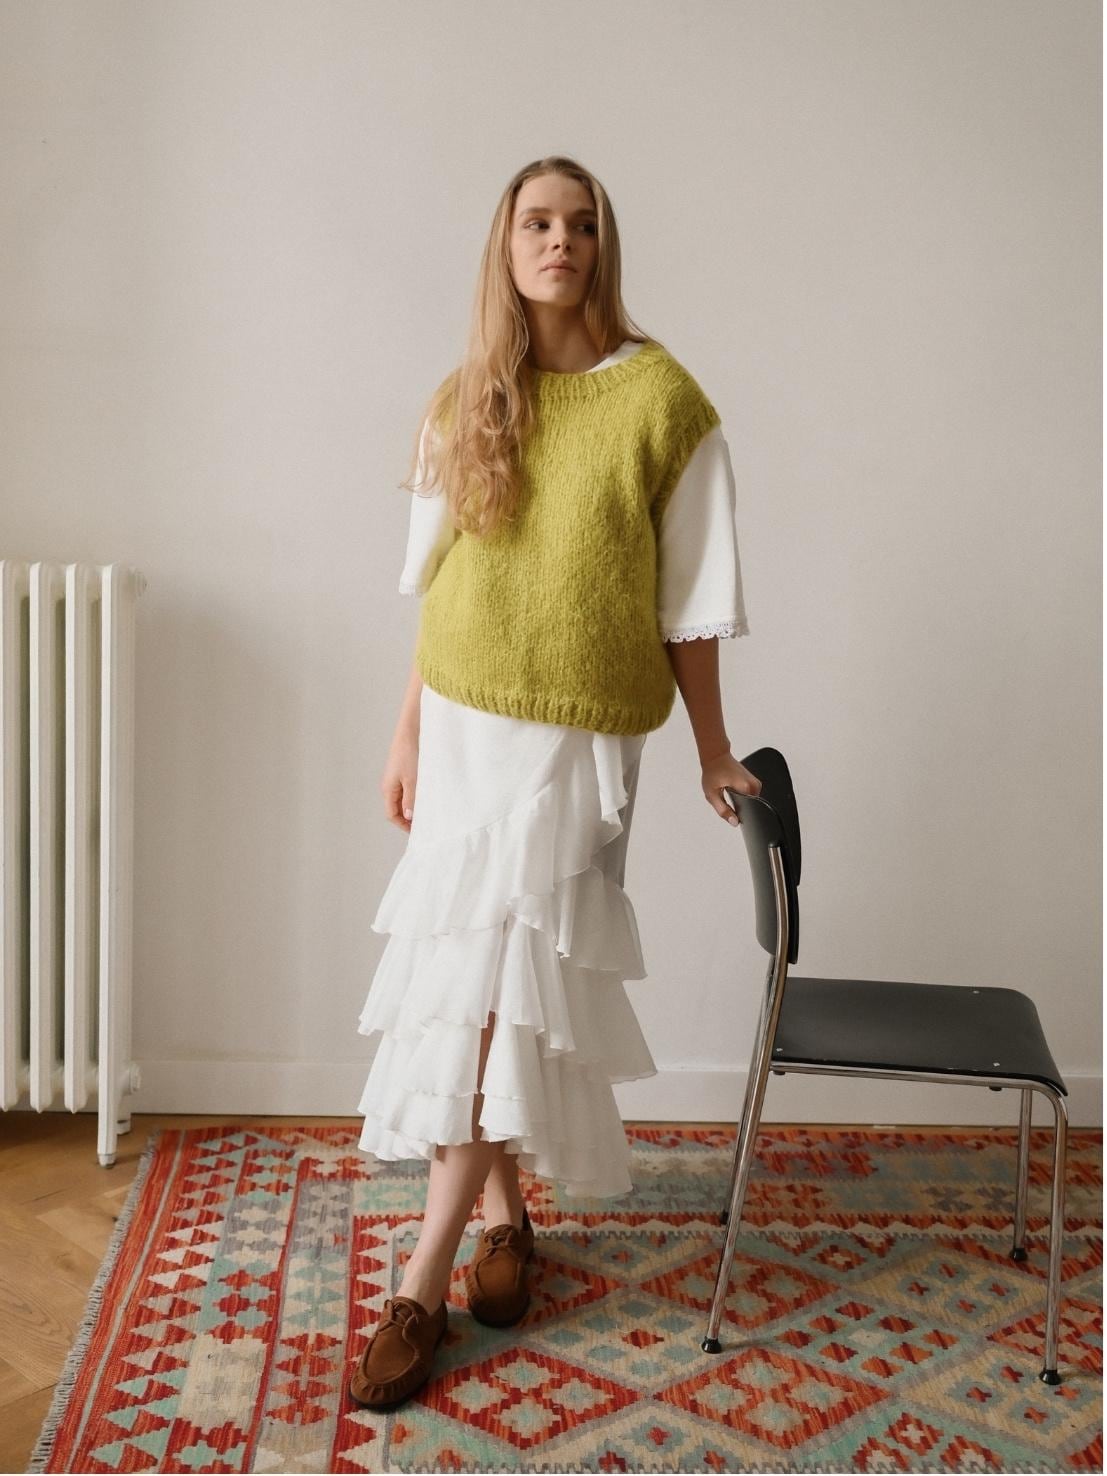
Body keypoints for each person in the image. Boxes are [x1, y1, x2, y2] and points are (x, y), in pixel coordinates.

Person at [348, 155, 762, 1411]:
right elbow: (439, 585)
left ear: (602, 246)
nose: (560, 242)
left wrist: (713, 746)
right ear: (508, 244)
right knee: (477, 986)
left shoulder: (663, 401)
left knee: (501, 987)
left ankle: (421, 1278)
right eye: (538, 222)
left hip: (578, 742)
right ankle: (503, 1226)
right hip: (463, 722)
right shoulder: (468, 397)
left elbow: (691, 604)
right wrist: (406, 732)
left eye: (581, 225)